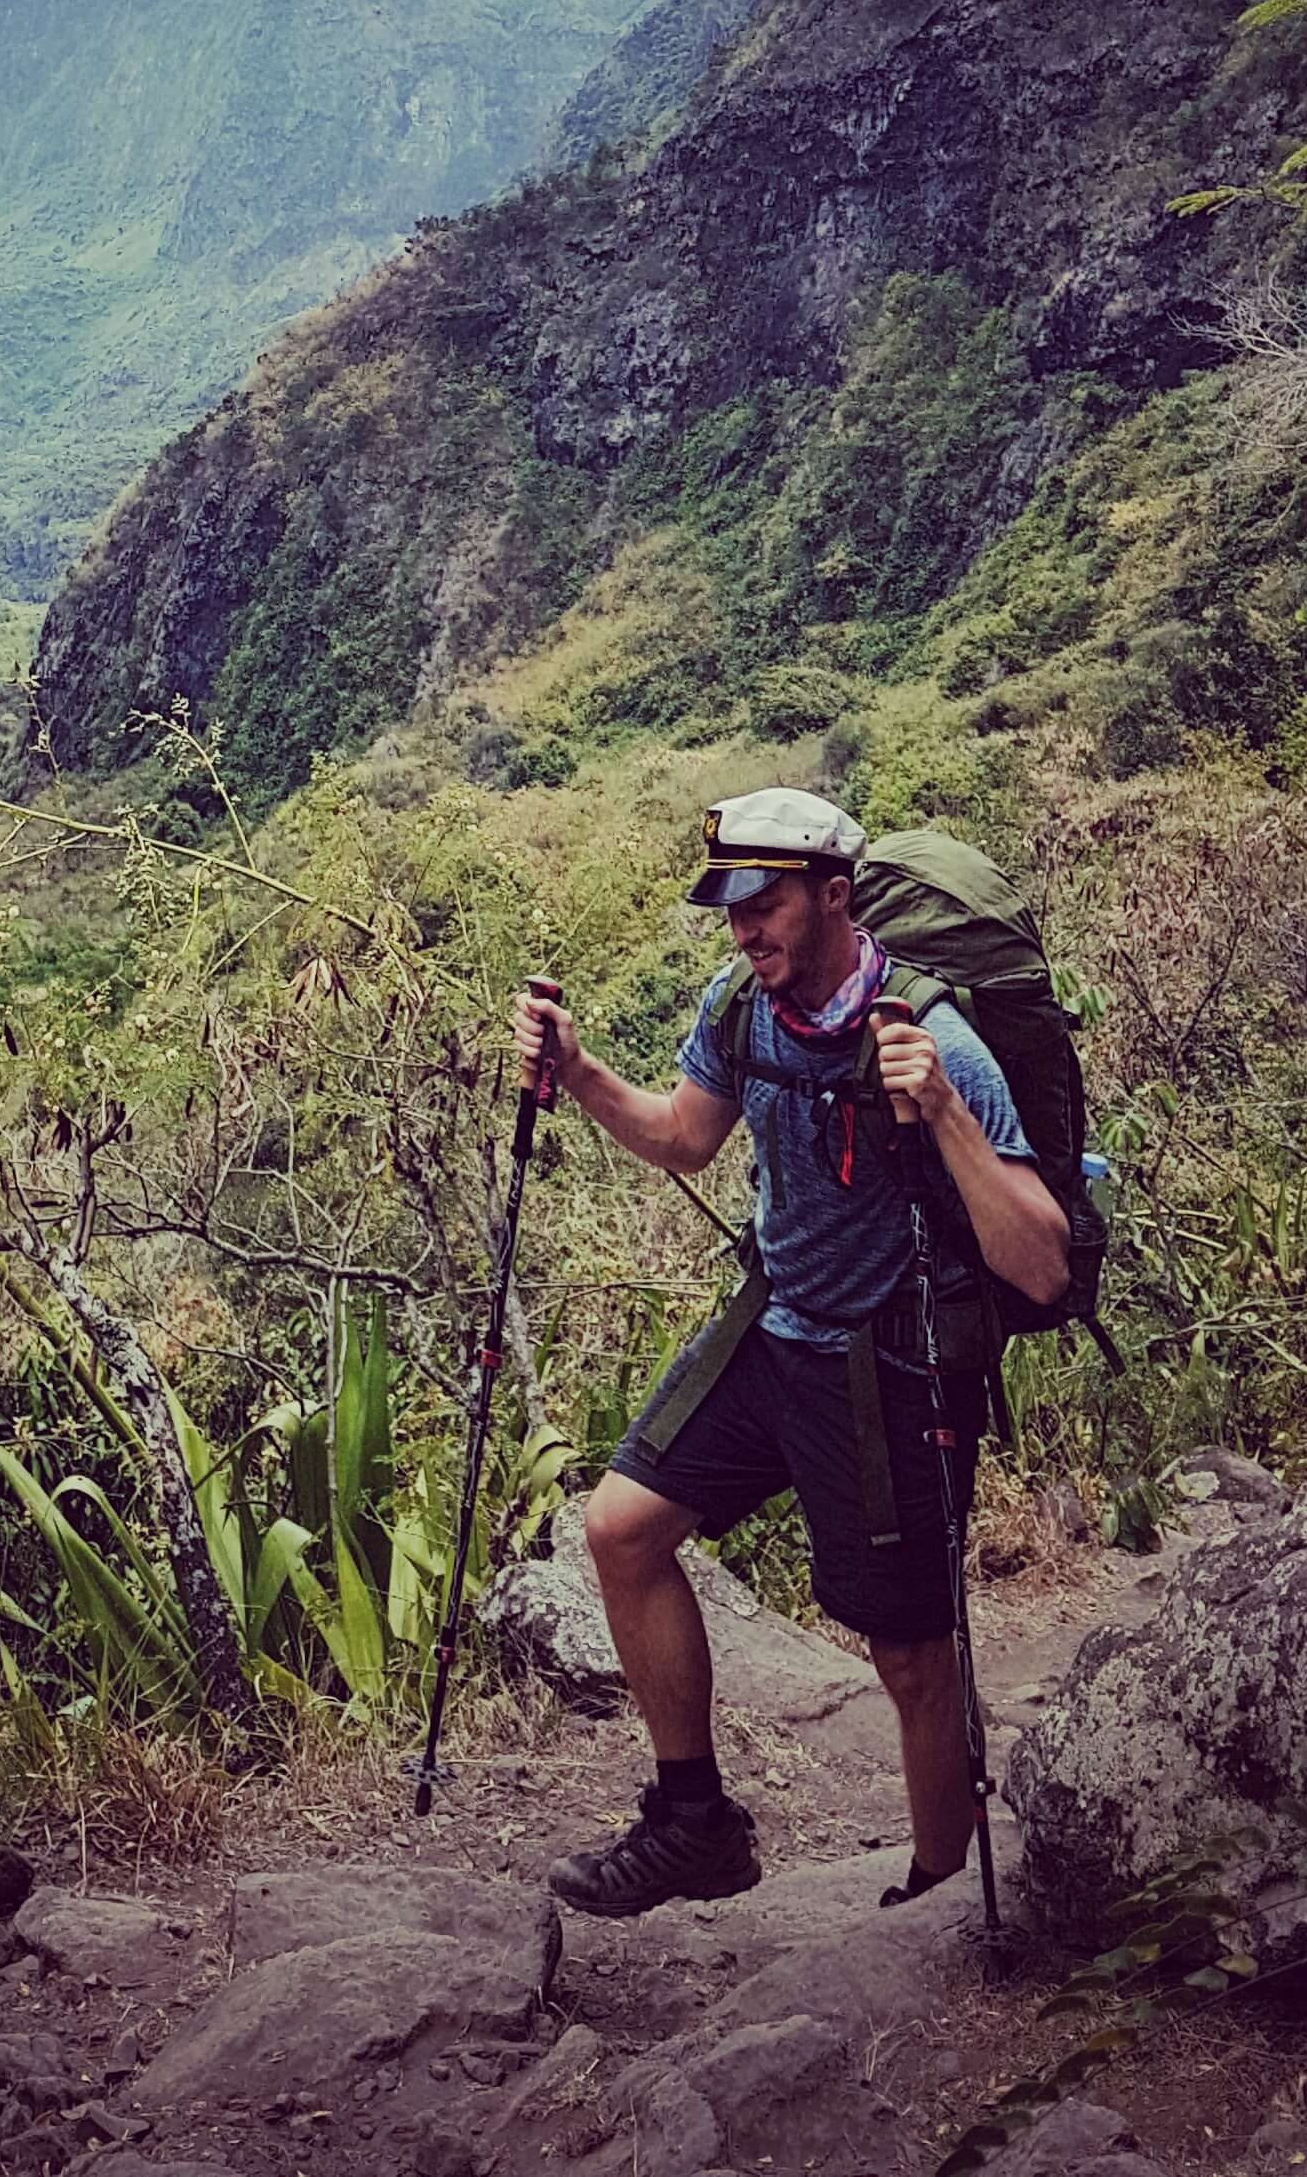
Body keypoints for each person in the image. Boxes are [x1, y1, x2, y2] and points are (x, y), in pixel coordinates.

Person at [513, 787, 1068, 1918]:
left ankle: (938, 1898)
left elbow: (1042, 1265)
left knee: (908, 1656)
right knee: (619, 1528)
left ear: (831, 897)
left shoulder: (937, 1038)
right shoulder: (741, 1008)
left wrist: (946, 1119)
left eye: (761, 906)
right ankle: (692, 1825)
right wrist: (576, 1073)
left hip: (888, 1361)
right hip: (775, 1327)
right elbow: (683, 1134)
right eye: (728, 908)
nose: (743, 930)